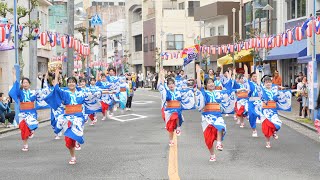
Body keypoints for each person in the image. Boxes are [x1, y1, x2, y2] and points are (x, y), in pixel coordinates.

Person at [44, 68, 109, 165]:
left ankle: (77, 140)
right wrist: (57, 76)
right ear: (67, 84)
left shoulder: (82, 93)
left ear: (76, 83)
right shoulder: (64, 93)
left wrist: (108, 92)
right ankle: (73, 156)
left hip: (78, 117)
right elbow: (56, 88)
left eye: (73, 82)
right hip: (67, 117)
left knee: (75, 134)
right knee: (68, 139)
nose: (71, 84)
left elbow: (94, 93)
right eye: (69, 82)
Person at [9, 67, 51, 152]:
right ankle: (25, 144)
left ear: (29, 84)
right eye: (23, 82)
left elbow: (43, 94)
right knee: (23, 128)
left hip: (31, 112)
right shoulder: (20, 92)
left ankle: (31, 130)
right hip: (23, 113)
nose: (25, 84)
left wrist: (45, 79)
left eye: (26, 82)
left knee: (31, 126)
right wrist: (13, 74)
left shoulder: (34, 92)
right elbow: (15, 85)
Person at [195, 64, 226, 162]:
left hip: (217, 114)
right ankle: (212, 154)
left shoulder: (218, 92)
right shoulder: (204, 92)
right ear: (206, 85)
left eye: (212, 82)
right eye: (208, 83)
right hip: (207, 117)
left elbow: (229, 92)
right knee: (208, 139)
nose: (211, 84)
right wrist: (198, 73)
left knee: (220, 126)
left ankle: (219, 142)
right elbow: (199, 86)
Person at [158, 69, 184, 146]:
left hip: (177, 110)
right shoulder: (166, 91)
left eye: (172, 83)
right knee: (170, 127)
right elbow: (160, 85)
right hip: (168, 110)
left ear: (175, 84)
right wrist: (161, 76)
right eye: (169, 84)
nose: (171, 85)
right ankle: (171, 140)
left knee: (176, 114)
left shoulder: (178, 91)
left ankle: (178, 127)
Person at [261, 76, 282, 148]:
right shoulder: (261, 90)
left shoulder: (274, 91)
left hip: (273, 110)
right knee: (266, 127)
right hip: (265, 111)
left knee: (277, 123)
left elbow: (277, 99)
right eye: (266, 82)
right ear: (264, 83)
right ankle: (268, 142)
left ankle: (274, 131)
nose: (268, 84)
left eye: (269, 82)